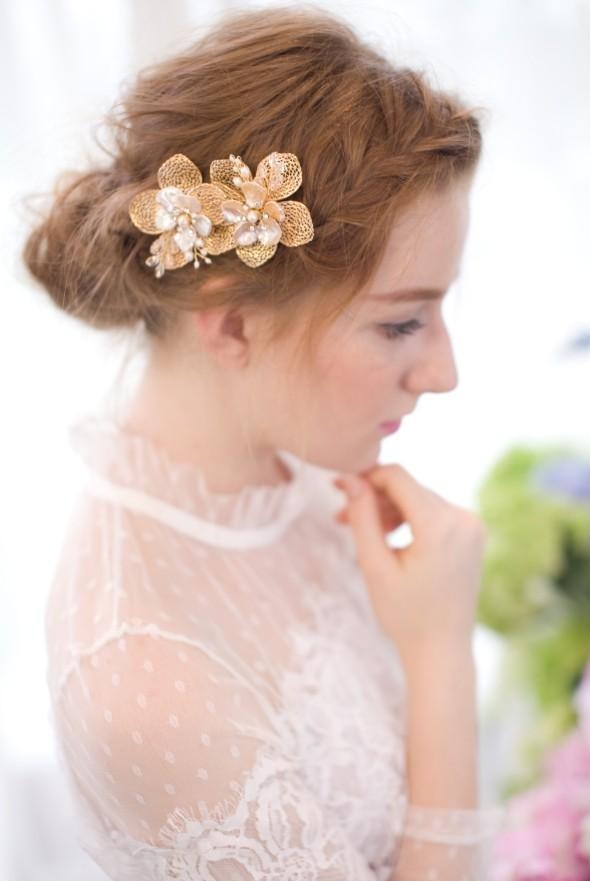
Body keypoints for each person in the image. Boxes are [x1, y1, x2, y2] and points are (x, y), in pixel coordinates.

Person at [23, 5, 508, 879]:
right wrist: (439, 653)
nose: (443, 373)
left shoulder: (293, 467)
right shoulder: (144, 676)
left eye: (441, 310)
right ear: (232, 326)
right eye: (401, 323)